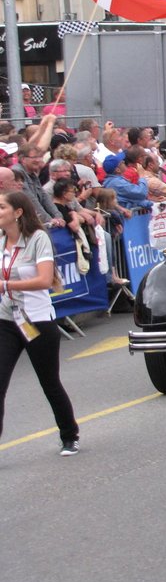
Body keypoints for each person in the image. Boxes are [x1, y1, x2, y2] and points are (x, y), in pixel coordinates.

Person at [0, 191, 80, 455]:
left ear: (18, 212)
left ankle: (70, 435)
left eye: (1, 208)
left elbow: (45, 281)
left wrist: (6, 284)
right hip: (6, 321)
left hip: (36, 320)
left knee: (49, 382)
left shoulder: (38, 239)